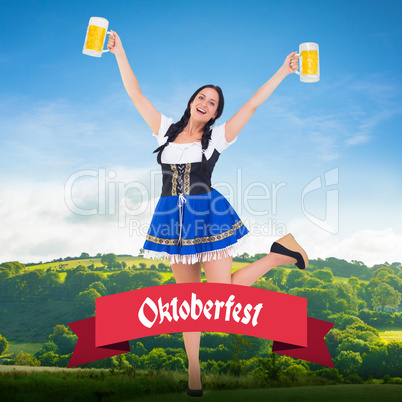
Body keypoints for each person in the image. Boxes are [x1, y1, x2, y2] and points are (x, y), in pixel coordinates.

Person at [107, 31, 309, 397]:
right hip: (172, 220)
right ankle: (194, 372)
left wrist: (283, 71)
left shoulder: (216, 139)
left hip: (208, 214)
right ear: (192, 101)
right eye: (201, 97)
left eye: (212, 102)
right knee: (188, 305)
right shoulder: (165, 131)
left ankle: (277, 255)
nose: (205, 103)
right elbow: (136, 94)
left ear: (216, 112)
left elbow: (251, 106)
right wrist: (120, 53)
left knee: (220, 296)